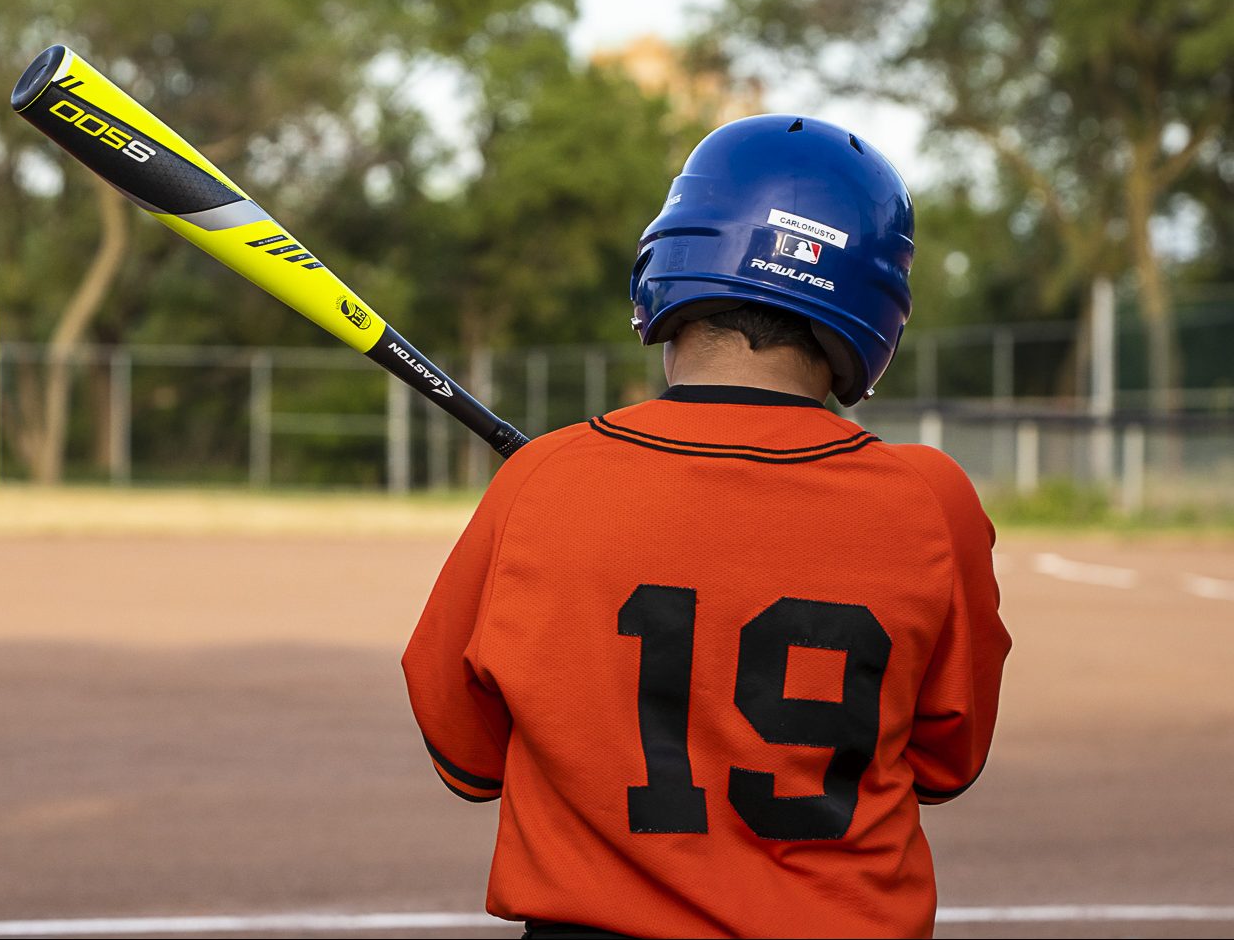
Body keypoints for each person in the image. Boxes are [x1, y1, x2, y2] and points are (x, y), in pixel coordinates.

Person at [402, 115, 1011, 939]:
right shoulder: (931, 499)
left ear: (671, 261)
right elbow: (946, 764)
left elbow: (466, 757)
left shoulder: (542, 479)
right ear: (875, 306)